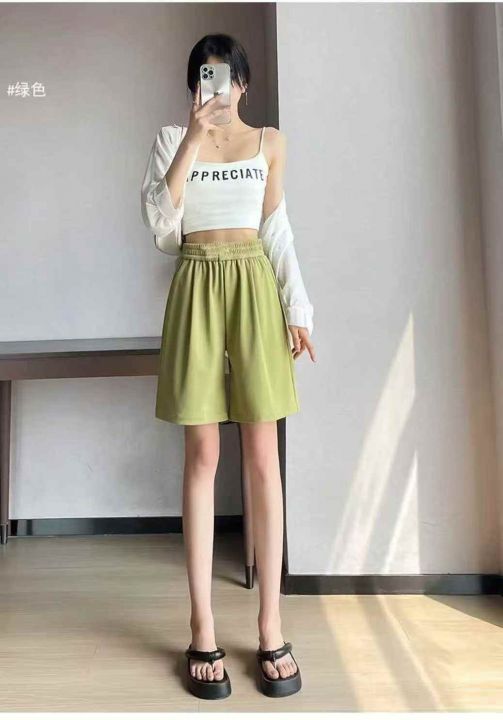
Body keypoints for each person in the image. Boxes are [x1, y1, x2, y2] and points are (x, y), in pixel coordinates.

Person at [141, 33, 315, 700]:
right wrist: (191, 138)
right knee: (202, 456)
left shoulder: (269, 143)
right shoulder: (170, 140)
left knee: (264, 457)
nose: (216, 88)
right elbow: (161, 229)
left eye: (225, 77)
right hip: (195, 284)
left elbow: (276, 229)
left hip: (253, 288)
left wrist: (298, 306)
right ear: (194, 84)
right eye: (204, 77)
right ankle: (202, 627)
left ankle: (271, 627)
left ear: (243, 84)